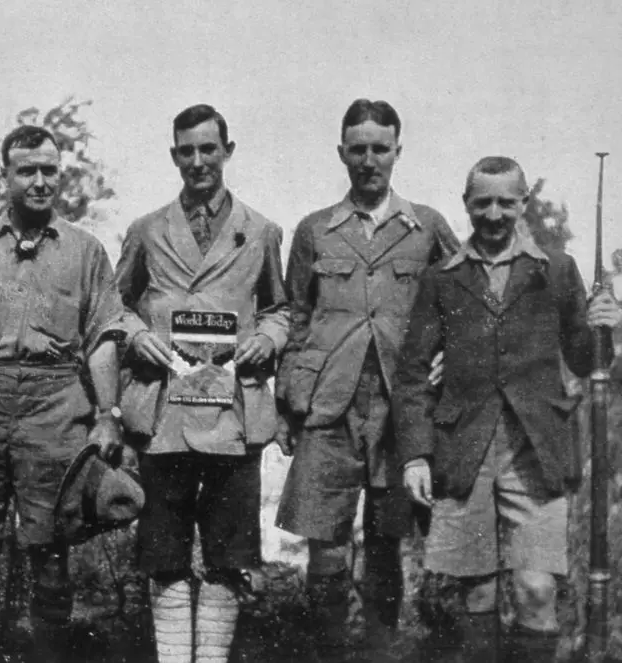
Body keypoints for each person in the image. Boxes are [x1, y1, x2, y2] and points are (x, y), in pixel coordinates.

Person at [393, 156, 622, 662]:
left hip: (537, 450)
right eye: (482, 202)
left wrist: (605, 322)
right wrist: (415, 456)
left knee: (537, 591)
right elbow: (411, 375)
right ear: (466, 205)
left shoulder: (556, 269)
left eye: (505, 202)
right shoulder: (441, 279)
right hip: (463, 449)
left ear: (522, 204)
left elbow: (586, 360)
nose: (494, 213)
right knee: (476, 593)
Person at [0, 125, 125, 663]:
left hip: (55, 400)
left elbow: (104, 336)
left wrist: (108, 415)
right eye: (27, 171)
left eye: (49, 170)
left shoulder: (86, 251)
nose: (40, 182)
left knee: (51, 551)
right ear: (5, 176)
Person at [274, 99, 459, 658]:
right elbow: (296, 318)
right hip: (329, 407)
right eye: (359, 149)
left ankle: (380, 652)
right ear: (342, 153)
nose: (369, 160)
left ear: (398, 151)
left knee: (385, 549)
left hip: (400, 413)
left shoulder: (427, 227)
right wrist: (287, 408)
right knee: (325, 552)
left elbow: (463, 303)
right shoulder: (314, 231)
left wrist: (452, 358)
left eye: (381, 148)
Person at [115, 104, 289, 663]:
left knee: (227, 554)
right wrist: (137, 333)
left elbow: (282, 310)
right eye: (186, 151)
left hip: (231, 415)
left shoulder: (261, 231)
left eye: (208, 149)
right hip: (163, 413)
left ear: (227, 152)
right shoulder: (146, 230)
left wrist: (269, 337)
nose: (198, 162)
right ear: (174, 157)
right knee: (163, 553)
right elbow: (111, 306)